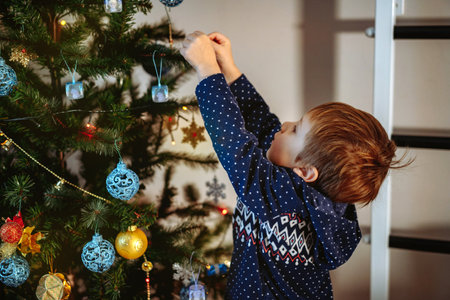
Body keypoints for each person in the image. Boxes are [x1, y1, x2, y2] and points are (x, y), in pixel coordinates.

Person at [181, 31, 407, 299]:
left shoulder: (283, 200)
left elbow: (235, 147)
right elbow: (262, 123)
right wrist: (229, 68)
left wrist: (208, 71)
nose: (285, 125)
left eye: (296, 130)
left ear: (306, 172)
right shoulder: (299, 180)